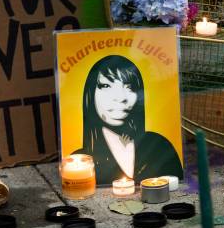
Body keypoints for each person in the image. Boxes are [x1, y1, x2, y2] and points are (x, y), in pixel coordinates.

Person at [74, 55, 183, 185]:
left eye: (129, 87)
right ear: (90, 94)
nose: (120, 97)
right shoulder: (79, 163)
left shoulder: (159, 146)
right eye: (106, 86)